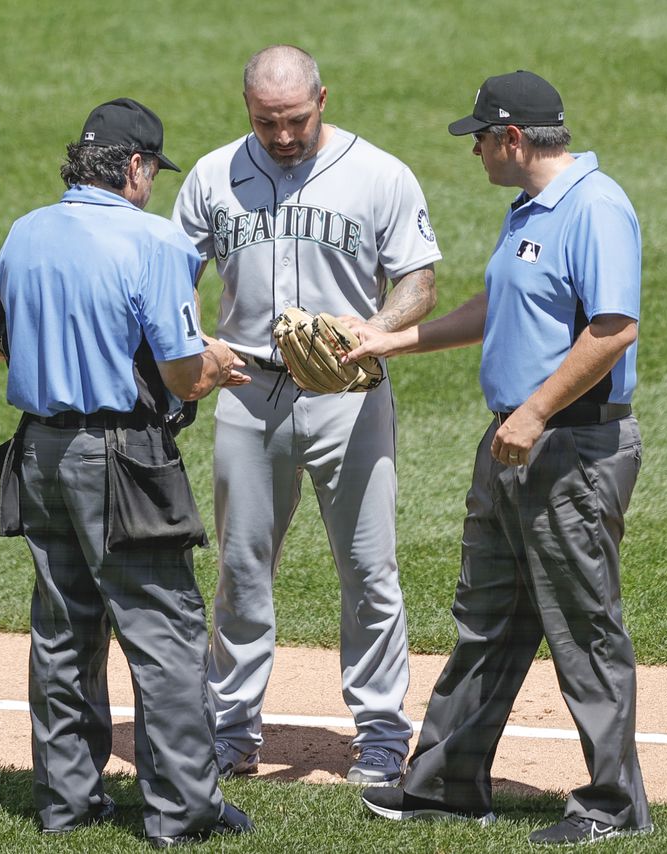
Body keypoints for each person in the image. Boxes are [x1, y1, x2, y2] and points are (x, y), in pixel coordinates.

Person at [350, 71, 654, 845]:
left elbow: (615, 328)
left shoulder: (595, 206)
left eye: (480, 137)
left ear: (512, 139)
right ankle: (448, 784)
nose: (476, 150)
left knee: (584, 630)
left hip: (570, 445)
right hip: (516, 444)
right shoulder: (528, 210)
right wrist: (391, 339)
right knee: (486, 619)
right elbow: (495, 307)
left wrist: (534, 412)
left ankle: (613, 808)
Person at [0, 97, 253, 848]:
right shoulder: (153, 240)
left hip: (37, 452)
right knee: (164, 631)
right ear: (134, 166)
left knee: (64, 631)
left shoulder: (25, 231)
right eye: (151, 172)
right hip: (121, 459)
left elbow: (0, 343)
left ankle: (68, 804)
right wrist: (214, 365)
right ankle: (183, 812)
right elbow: (180, 371)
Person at [170, 45, 441, 786]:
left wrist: (375, 330)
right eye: (267, 122)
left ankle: (382, 732)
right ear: (246, 108)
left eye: (294, 119)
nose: (283, 136)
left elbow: (418, 281)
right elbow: (170, 282)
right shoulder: (211, 176)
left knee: (369, 567)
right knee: (241, 567)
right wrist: (196, 346)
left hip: (349, 397)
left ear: (324, 98)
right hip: (248, 392)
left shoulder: (379, 173)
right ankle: (231, 728)